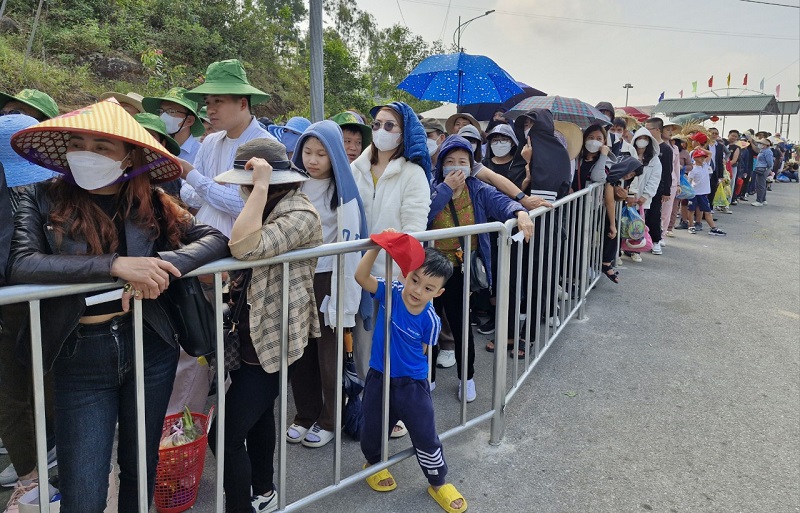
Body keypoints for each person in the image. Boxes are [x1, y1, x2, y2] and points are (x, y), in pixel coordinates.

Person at [8, 99, 229, 513]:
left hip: (151, 345)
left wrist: (161, 266)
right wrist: (116, 266)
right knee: (84, 487)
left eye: (102, 146)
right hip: (80, 353)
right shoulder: (39, 197)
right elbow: (22, 263)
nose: (85, 153)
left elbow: (214, 238)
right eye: (77, 142)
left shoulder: (152, 202)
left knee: (140, 469)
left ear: (129, 158)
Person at [210, 138, 322, 513]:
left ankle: (241, 504)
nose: (242, 191)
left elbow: (243, 246)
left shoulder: (300, 213)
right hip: (249, 332)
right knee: (256, 421)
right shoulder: (269, 205)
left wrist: (258, 187)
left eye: (247, 183)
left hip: (271, 337)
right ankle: (264, 491)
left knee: (223, 434)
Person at [354, 234, 468, 513]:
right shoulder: (391, 290)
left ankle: (438, 481)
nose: (417, 290)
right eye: (415, 280)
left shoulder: (431, 319)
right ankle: (374, 463)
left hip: (412, 384)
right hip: (380, 376)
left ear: (438, 294)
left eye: (428, 288)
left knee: (425, 434)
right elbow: (361, 277)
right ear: (407, 273)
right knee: (372, 427)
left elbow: (425, 350)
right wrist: (378, 247)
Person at [427, 135, 533, 398]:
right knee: (428, 326)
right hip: (430, 269)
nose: (456, 166)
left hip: (462, 270)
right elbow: (424, 213)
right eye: (449, 161)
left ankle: (467, 378)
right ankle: (426, 378)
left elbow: (501, 202)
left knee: (462, 327)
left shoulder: (478, 188)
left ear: (471, 165)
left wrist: (519, 212)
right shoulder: (432, 187)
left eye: (462, 161)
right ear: (440, 165)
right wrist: (445, 190)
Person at [284, 120, 368, 448]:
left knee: (328, 353)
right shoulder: (293, 184)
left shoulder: (343, 192)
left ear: (334, 156)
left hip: (326, 279)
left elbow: (351, 245)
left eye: (321, 153)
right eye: (307, 151)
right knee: (300, 352)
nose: (313, 160)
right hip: (296, 276)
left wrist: (343, 297)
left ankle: (330, 418)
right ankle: (305, 413)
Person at [0, 114, 59, 510]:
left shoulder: (20, 200)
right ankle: (39, 456)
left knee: (10, 388)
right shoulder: (51, 193)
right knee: (42, 377)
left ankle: (32, 471)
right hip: (47, 301)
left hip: (18, 302)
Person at [180, 58, 275, 237]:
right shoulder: (209, 142)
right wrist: (212, 187)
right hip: (203, 240)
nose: (210, 110)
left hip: (240, 249)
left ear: (242, 104)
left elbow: (244, 205)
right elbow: (186, 192)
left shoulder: (265, 146)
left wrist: (194, 177)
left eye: (218, 101)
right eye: (208, 102)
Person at [601, 156, 644, 283]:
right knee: (612, 230)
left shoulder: (621, 179)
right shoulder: (613, 176)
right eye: (631, 172)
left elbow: (617, 199)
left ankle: (607, 263)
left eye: (633, 175)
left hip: (601, 208)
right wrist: (613, 225)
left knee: (614, 230)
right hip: (596, 207)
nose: (630, 175)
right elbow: (609, 202)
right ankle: (606, 263)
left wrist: (624, 196)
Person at [622, 126, 661, 263]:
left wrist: (645, 196)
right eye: (639, 138)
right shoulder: (629, 154)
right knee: (624, 222)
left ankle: (636, 250)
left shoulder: (654, 160)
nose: (642, 141)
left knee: (638, 226)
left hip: (642, 200)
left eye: (645, 138)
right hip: (627, 196)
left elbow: (655, 179)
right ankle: (622, 248)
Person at [142, 87, 206, 164]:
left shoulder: (202, 154)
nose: (163, 116)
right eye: (161, 111)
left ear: (189, 121)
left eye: (171, 111)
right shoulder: (154, 146)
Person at [134, 113, 183, 198]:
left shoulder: (169, 177)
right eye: (137, 135)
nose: (142, 141)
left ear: (162, 144)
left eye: (150, 137)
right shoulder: (118, 169)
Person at [644, 117, 675, 255]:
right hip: (645, 185)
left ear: (657, 130)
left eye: (648, 128)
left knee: (654, 215)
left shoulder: (666, 149)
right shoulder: (646, 145)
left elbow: (668, 171)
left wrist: (666, 191)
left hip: (658, 188)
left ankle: (656, 240)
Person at [686, 149, 726, 235]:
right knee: (691, 210)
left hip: (703, 193)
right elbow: (689, 181)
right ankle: (691, 226)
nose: (703, 159)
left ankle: (713, 228)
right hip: (694, 193)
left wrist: (699, 148)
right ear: (695, 158)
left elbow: (710, 153)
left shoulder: (705, 165)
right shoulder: (693, 169)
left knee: (707, 211)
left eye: (703, 157)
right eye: (700, 157)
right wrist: (687, 191)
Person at [751, 137, 774, 207]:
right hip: (762, 168)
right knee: (762, 184)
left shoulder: (767, 151)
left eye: (761, 143)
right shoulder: (763, 151)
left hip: (763, 169)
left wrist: (767, 168)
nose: (760, 144)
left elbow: (770, 162)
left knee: (760, 185)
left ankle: (759, 200)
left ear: (766, 145)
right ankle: (763, 199)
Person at [726, 130, 741, 205]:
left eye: (736, 136)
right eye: (732, 135)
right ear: (728, 135)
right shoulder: (723, 144)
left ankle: (728, 201)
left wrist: (726, 165)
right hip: (723, 167)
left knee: (730, 183)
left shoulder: (737, 147)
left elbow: (734, 160)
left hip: (732, 168)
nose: (734, 137)